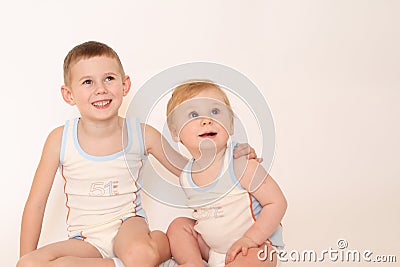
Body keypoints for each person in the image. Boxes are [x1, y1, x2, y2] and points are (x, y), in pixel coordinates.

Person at [17, 41, 257, 267]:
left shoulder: (141, 134)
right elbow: (36, 205)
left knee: (137, 253)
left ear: (124, 85)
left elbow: (192, 171)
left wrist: (231, 156)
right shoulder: (59, 139)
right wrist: (25, 258)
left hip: (128, 227)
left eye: (109, 79)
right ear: (69, 94)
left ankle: (161, 247)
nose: (100, 89)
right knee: (28, 263)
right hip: (85, 240)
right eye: (87, 82)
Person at [165, 81, 287, 267]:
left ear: (230, 125)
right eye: (193, 115)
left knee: (255, 259)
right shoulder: (186, 176)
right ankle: (193, 262)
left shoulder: (239, 163)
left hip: (255, 247)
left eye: (215, 111)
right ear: (176, 133)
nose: (206, 120)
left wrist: (250, 240)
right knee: (179, 226)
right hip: (215, 250)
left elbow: (277, 202)